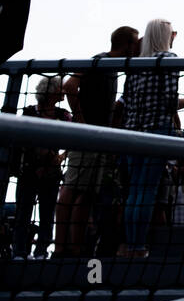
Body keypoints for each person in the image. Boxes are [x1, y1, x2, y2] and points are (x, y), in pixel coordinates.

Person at [120, 18, 184, 257]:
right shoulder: (169, 60)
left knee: (134, 192)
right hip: (157, 131)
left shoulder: (135, 64)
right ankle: (138, 247)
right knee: (147, 191)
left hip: (132, 132)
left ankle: (131, 245)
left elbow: (128, 101)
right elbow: (169, 100)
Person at [54, 25, 138, 257]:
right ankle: (61, 248)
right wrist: (81, 119)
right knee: (71, 189)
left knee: (87, 192)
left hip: (98, 138)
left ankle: (76, 247)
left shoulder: (113, 68)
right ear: (127, 45)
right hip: (87, 137)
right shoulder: (98, 61)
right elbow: (70, 85)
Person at [12, 75, 70, 259]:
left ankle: (41, 251)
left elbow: (76, 135)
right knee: (23, 212)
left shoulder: (63, 115)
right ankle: (20, 251)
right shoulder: (29, 113)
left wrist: (61, 156)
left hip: (51, 171)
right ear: (51, 92)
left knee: (46, 213)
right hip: (29, 170)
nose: (63, 91)